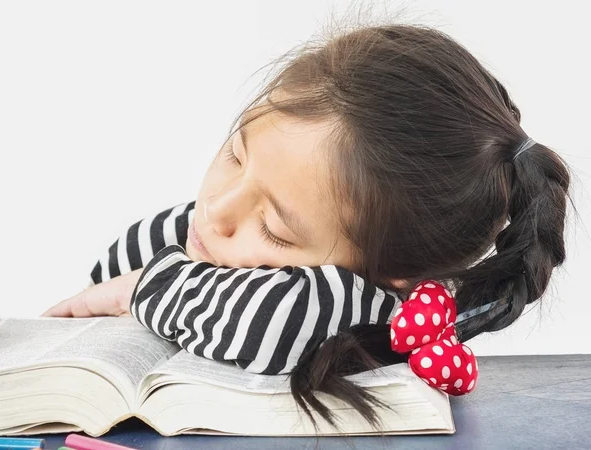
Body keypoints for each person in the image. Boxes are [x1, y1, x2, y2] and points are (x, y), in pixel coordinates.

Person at [40, 22, 571, 427]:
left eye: (273, 228)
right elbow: (88, 301)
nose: (216, 210)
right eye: (235, 156)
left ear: (394, 276)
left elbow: (276, 316)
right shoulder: (210, 225)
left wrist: (144, 286)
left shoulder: (382, 305)